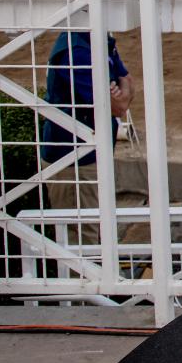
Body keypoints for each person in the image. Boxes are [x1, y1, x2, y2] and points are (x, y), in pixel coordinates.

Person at [38, 31, 134, 247]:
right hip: (74, 161)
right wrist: (117, 93)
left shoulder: (97, 40)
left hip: (92, 153)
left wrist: (120, 91)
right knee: (83, 239)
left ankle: (101, 275)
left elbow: (127, 80)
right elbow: (118, 106)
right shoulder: (75, 51)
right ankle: (90, 280)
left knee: (98, 230)